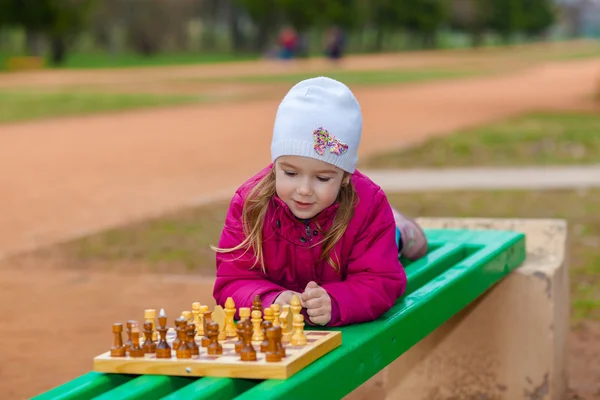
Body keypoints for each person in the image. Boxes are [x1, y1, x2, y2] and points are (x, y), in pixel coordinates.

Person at [212, 77, 428, 327]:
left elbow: (381, 280)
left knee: (397, 243)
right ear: (275, 165)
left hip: (371, 234)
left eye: (322, 178)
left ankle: (400, 229)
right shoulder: (250, 204)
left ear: (346, 177)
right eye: (290, 173)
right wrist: (270, 301)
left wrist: (336, 302)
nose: (304, 190)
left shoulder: (368, 205)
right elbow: (233, 281)